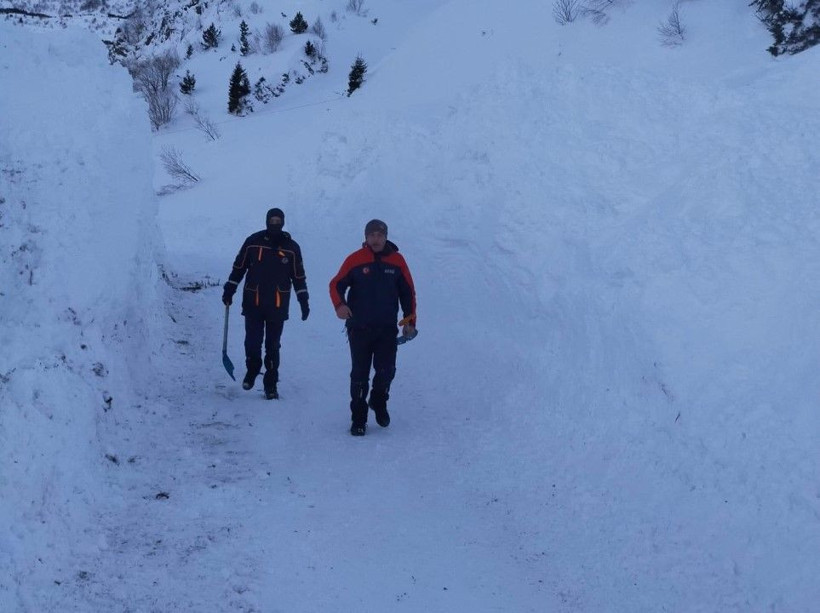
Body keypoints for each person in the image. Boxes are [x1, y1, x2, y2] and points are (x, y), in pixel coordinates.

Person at [329, 219, 417, 436]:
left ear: (386, 236)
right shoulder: (355, 260)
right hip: (359, 328)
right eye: (372, 235)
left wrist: (410, 322)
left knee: (387, 371)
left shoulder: (397, 261)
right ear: (366, 238)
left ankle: (378, 401)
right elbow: (336, 284)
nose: (376, 239)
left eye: (380, 235)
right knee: (359, 374)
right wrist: (340, 305)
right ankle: (358, 418)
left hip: (386, 328)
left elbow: (408, 293)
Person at [222, 207, 309, 399]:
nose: (275, 224)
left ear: (283, 222)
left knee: (273, 345)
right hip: (253, 301)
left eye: (279, 221)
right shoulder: (253, 242)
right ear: (267, 221)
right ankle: (252, 369)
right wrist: (230, 288)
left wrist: (303, 299)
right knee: (252, 341)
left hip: (278, 304)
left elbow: (299, 276)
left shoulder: (292, 248)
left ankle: (271, 383)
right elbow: (239, 267)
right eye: (272, 221)